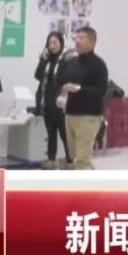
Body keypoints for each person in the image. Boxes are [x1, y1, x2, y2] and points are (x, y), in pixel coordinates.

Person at [56, 27, 109, 170]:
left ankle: (86, 183)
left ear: (92, 42)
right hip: (70, 114)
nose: (77, 41)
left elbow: (100, 91)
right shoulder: (71, 62)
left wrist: (79, 89)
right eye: (76, 38)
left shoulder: (99, 65)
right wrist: (61, 60)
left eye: (82, 38)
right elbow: (60, 80)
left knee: (82, 160)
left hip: (88, 116)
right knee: (74, 157)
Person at [34, 31, 71, 169]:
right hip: (47, 102)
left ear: (61, 43)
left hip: (60, 103)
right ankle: (51, 160)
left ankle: (70, 160)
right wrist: (43, 59)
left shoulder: (66, 59)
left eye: (55, 42)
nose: (52, 45)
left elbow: (66, 78)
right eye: (50, 43)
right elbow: (38, 76)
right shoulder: (47, 59)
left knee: (65, 134)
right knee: (51, 133)